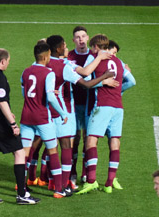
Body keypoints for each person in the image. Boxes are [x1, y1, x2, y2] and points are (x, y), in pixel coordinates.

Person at [45, 35, 117, 192]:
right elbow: (85, 77)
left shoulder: (39, 63)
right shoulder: (64, 65)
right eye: (64, 46)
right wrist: (104, 76)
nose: (66, 48)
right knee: (66, 146)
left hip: (42, 110)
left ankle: (46, 180)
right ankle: (62, 186)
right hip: (62, 110)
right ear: (58, 49)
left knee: (48, 147)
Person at [0, 48, 39, 204]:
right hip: (0, 123)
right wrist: (12, 123)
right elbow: (1, 101)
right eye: (8, 61)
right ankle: (22, 195)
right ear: (3, 61)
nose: (8, 64)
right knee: (19, 153)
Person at [20, 42, 71, 198]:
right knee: (53, 150)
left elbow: (24, 93)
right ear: (45, 56)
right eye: (49, 55)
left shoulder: (25, 71)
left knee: (24, 152)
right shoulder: (48, 73)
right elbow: (50, 97)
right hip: (42, 117)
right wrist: (63, 113)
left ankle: (21, 186)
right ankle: (59, 189)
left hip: (26, 117)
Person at [77, 34, 125, 194]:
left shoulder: (96, 60)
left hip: (102, 105)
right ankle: (110, 183)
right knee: (115, 142)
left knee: (91, 141)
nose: (91, 50)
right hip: (118, 107)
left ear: (97, 47)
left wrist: (102, 81)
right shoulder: (118, 62)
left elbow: (87, 82)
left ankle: (90, 181)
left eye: (92, 47)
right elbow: (126, 80)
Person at [67, 26, 92, 185]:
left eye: (83, 36)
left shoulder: (94, 55)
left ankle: (85, 172)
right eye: (78, 37)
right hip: (73, 104)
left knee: (88, 139)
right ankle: (73, 171)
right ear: (73, 40)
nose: (81, 39)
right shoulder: (69, 56)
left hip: (90, 104)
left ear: (88, 38)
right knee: (74, 139)